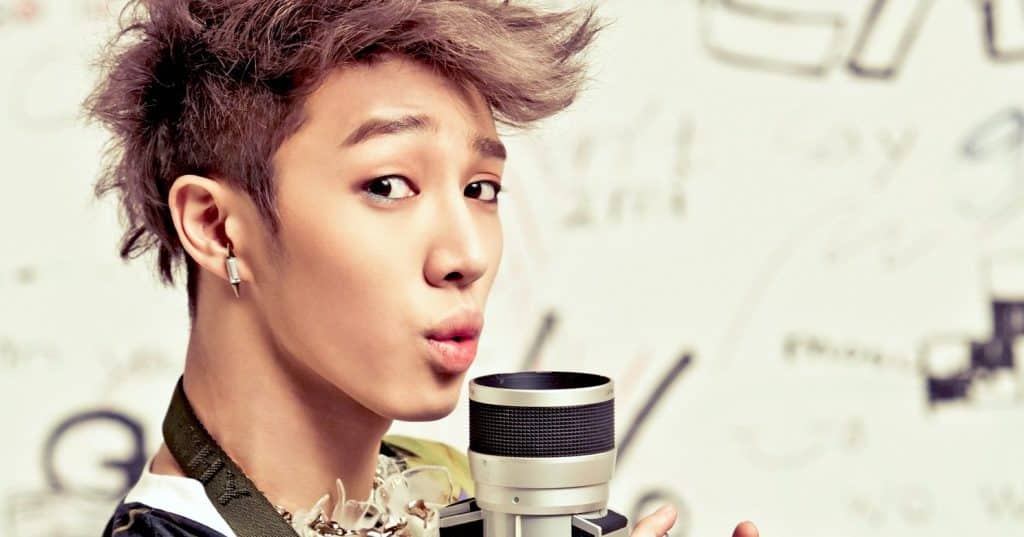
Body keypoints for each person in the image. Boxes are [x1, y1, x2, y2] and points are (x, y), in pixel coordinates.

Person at [86, 1, 760, 536]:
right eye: (388, 186)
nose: (466, 256)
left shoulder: (458, 491)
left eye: (481, 189)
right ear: (215, 226)